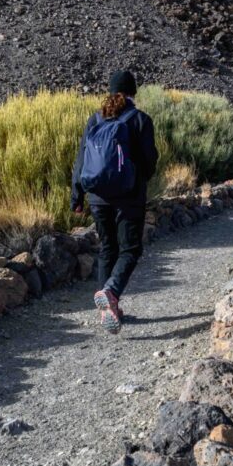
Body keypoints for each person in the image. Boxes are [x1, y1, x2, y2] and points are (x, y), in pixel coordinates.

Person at [71, 70, 158, 334]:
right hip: (129, 196)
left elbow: (81, 160)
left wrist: (77, 197)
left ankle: (110, 308)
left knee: (107, 249)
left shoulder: (96, 119)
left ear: (110, 91)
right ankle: (111, 292)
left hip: (98, 196)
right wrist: (139, 179)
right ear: (134, 92)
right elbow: (149, 162)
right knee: (131, 250)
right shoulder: (140, 120)